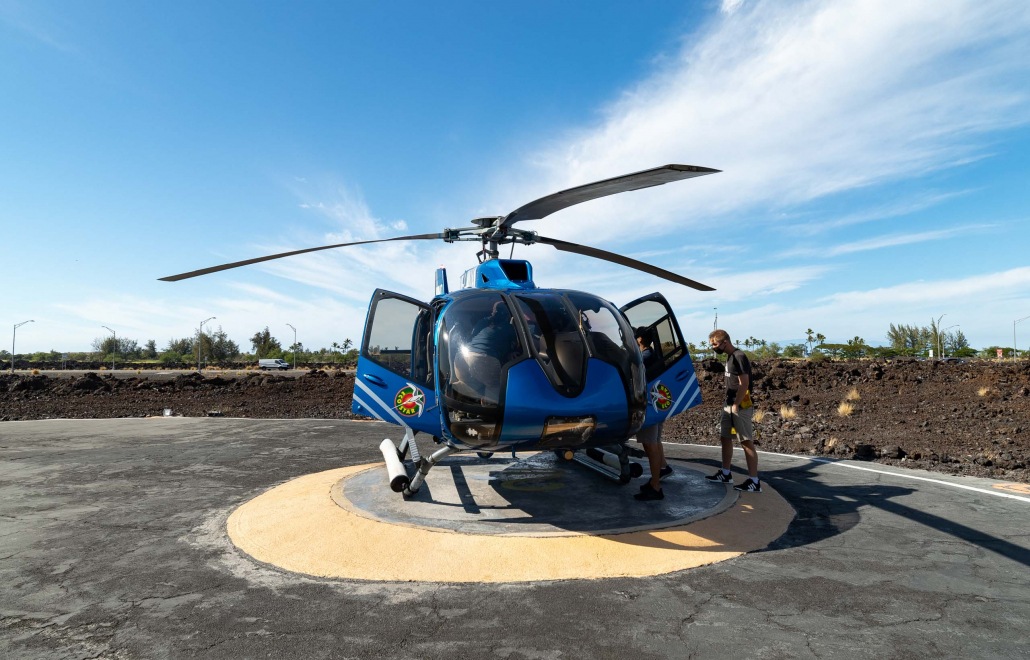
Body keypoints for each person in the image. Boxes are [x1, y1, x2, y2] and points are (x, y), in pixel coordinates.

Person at [705, 329, 761, 492]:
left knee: (745, 441)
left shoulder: (739, 356)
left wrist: (736, 403)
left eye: (715, 344)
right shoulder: (730, 358)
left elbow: (744, 383)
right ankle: (726, 473)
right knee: (725, 437)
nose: (713, 347)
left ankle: (754, 481)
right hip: (728, 404)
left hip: (740, 405)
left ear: (725, 342)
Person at [633, 327, 673, 501]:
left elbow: (632, 372)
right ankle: (655, 481)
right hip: (654, 404)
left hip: (648, 404)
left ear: (640, 339)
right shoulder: (652, 355)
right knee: (654, 443)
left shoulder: (645, 357)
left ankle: (656, 486)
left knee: (651, 445)